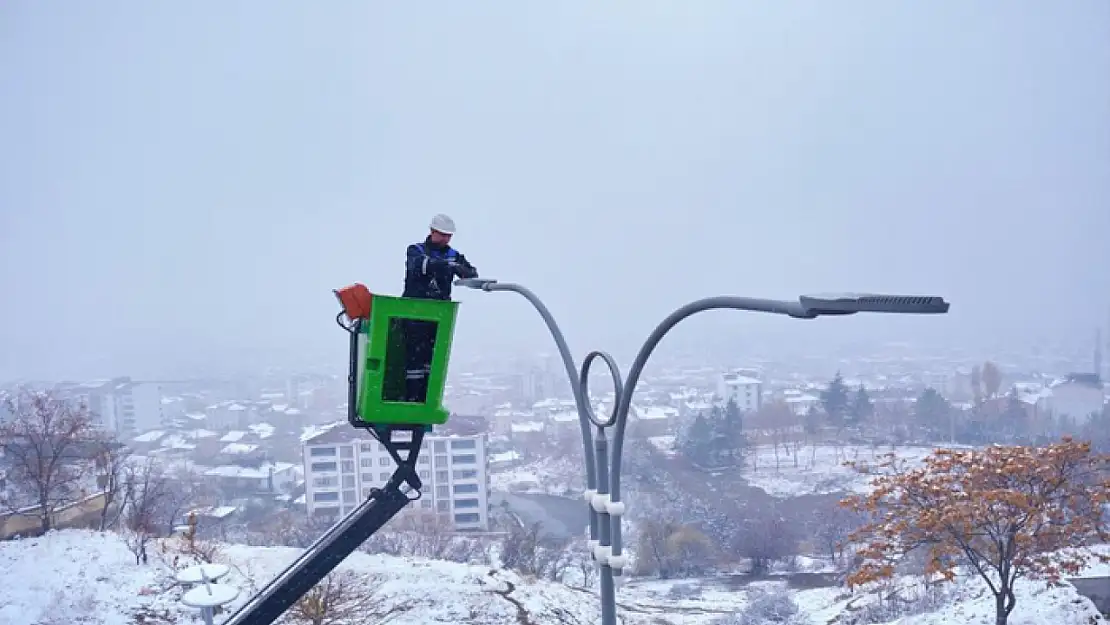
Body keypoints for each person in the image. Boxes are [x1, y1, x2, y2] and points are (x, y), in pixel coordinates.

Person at [400, 214, 478, 402]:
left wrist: (461, 270)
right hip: (415, 313)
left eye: (448, 236)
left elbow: (471, 272)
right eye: (442, 235)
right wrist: (447, 266)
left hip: (438, 315)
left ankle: (426, 397)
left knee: (431, 359)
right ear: (432, 232)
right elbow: (420, 266)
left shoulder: (453, 255)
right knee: (414, 358)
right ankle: (412, 397)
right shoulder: (416, 250)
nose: (445, 239)